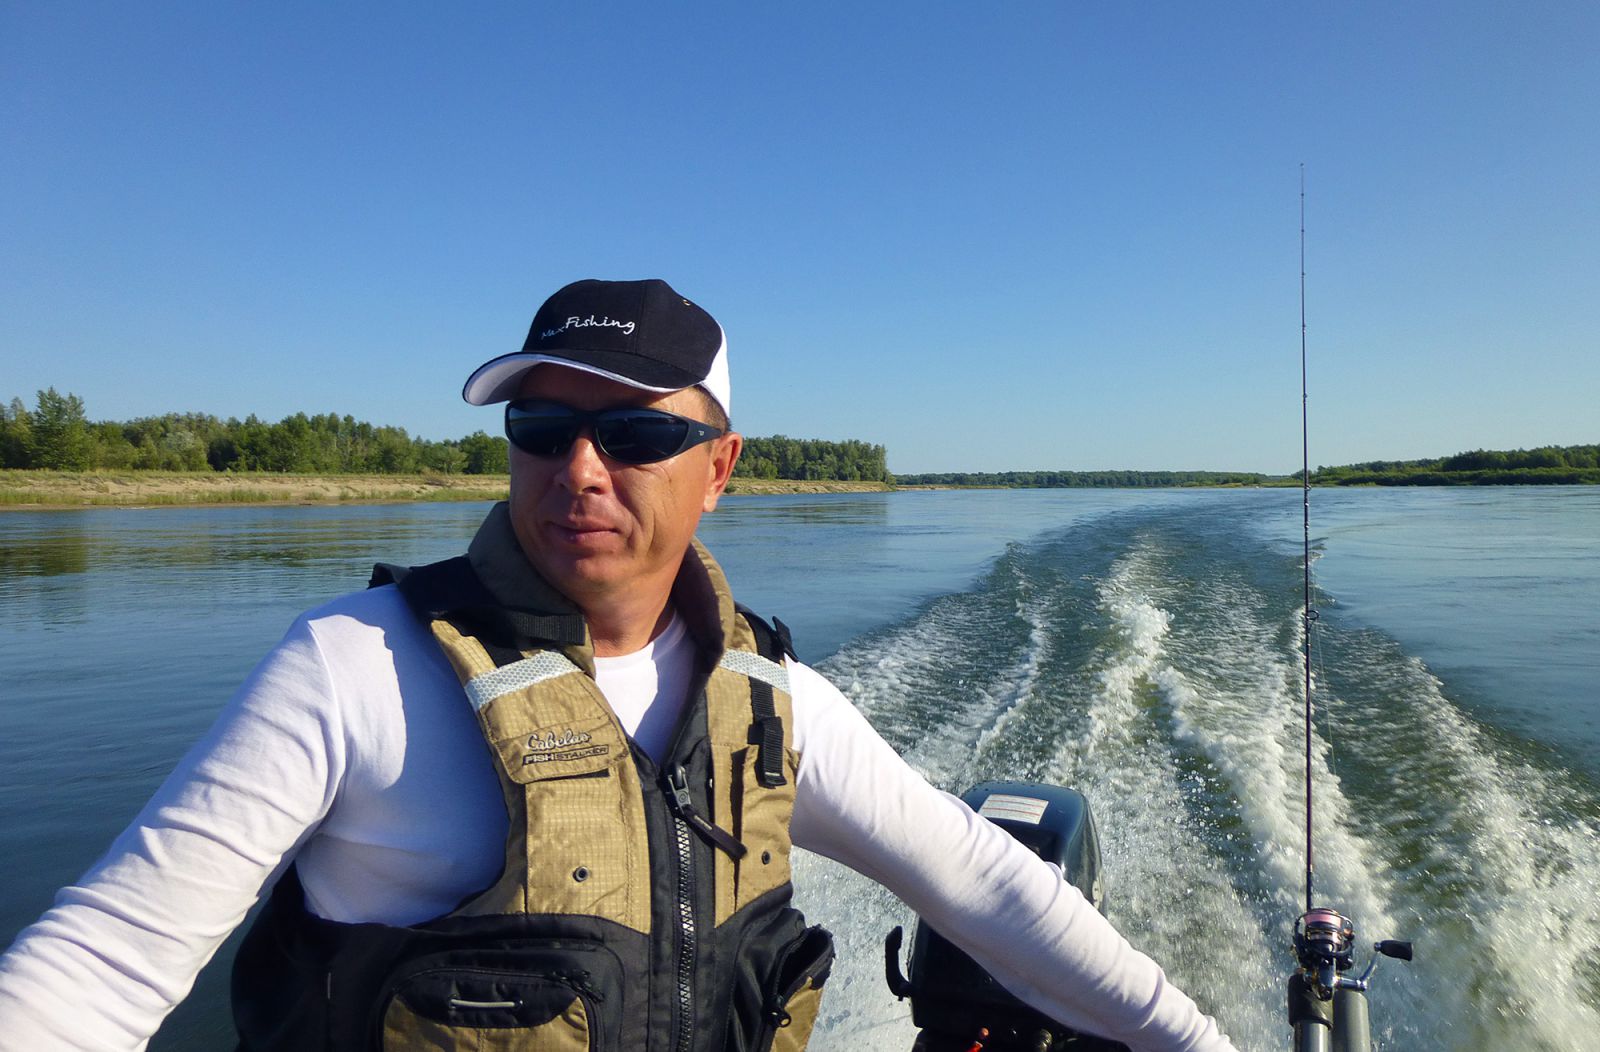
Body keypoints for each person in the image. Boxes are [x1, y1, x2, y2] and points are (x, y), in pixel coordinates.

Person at [0, 279, 1237, 1051]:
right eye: (542, 426)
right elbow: (99, 968)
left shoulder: (771, 707)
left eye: (636, 430)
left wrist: (1192, 1040)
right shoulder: (349, 668)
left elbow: (984, 883)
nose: (578, 467)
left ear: (720, 467)